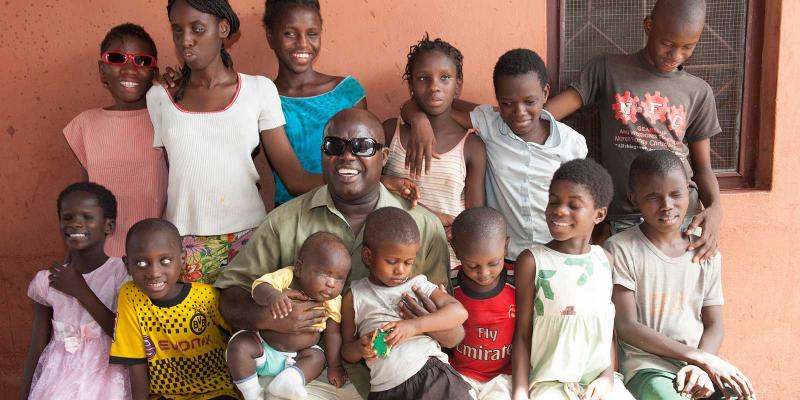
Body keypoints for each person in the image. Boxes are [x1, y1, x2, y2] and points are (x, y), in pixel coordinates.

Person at [214, 108, 454, 399]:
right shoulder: (286, 221)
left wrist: (421, 324)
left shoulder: (422, 227)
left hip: (405, 378)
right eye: (334, 146)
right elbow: (230, 294)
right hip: (306, 376)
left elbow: (453, 333)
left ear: (385, 156)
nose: (347, 156)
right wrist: (267, 316)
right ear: (323, 154)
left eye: (362, 146)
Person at [148, 0, 322, 284]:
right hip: (181, 245)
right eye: (177, 31)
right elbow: (171, 176)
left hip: (248, 241)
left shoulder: (258, 90)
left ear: (223, 28)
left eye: (197, 28)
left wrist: (370, 183)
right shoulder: (160, 97)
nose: (186, 40)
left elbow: (294, 177)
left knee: (244, 326)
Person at [545, 0, 722, 263]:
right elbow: (545, 116)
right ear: (648, 26)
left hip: (680, 217)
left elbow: (703, 167)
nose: (676, 55)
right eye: (668, 44)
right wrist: (501, 116)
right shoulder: (608, 70)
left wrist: (716, 209)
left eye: (688, 47)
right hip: (625, 217)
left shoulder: (698, 92)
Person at [401, 48, 587, 266]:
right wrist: (418, 120)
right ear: (498, 99)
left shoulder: (572, 144)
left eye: (529, 101)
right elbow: (432, 105)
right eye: (507, 103)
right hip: (506, 256)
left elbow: (581, 203)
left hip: (558, 254)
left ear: (545, 93)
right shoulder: (489, 124)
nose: (519, 112)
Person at [605, 150, 755, 399]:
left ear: (689, 191)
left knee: (743, 394)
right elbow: (627, 326)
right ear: (634, 199)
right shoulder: (620, 248)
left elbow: (715, 324)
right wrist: (700, 359)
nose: (667, 206)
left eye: (676, 194)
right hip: (647, 368)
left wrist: (701, 366)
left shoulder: (706, 251)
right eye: (653, 197)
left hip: (698, 367)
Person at [513, 159, 633, 400]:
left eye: (573, 205)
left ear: (599, 215)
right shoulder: (533, 262)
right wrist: (520, 392)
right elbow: (522, 335)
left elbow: (607, 329)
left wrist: (608, 377)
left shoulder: (604, 261)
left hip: (598, 383)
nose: (559, 210)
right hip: (549, 384)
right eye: (554, 201)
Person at [340, 207, 471, 399]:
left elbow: (459, 312)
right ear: (368, 256)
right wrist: (361, 347)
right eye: (392, 261)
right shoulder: (355, 295)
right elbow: (346, 351)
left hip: (431, 374)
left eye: (408, 262)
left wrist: (413, 326)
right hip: (385, 390)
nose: (400, 270)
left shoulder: (418, 285)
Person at [383, 34, 486, 271]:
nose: (434, 87)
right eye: (422, 78)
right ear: (410, 86)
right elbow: (366, 189)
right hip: (391, 264)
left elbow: (475, 219)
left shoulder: (471, 146)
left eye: (445, 78)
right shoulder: (391, 131)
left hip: (448, 264)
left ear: (458, 86)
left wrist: (458, 230)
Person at [63, 23, 167, 257]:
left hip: (154, 259)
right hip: (102, 259)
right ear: (102, 69)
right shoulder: (85, 125)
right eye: (117, 58)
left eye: (142, 61)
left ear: (155, 73)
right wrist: (74, 258)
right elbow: (83, 198)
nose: (129, 69)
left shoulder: (166, 121)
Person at [21, 182, 130, 399]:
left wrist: (81, 290)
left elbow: (124, 335)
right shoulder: (47, 281)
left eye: (87, 217)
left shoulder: (122, 273)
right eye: (68, 217)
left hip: (108, 377)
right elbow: (37, 346)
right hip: (57, 380)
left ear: (108, 226)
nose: (76, 224)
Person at [109, 218, 237, 400]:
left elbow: (239, 334)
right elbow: (135, 361)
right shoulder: (131, 297)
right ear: (127, 264)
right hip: (164, 395)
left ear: (182, 259)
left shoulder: (206, 296)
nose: (154, 272)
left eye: (165, 260)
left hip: (216, 392)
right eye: (141, 263)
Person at [263, 0, 367, 205]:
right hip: (293, 216)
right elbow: (294, 181)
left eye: (312, 34)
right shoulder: (266, 97)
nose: (302, 43)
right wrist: (373, 182)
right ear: (270, 36)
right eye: (290, 33)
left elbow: (364, 160)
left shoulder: (347, 92)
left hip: (348, 212)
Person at [226, 232, 351, 400]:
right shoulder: (287, 277)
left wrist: (335, 366)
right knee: (238, 345)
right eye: (324, 274)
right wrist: (273, 296)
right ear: (299, 268)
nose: (331, 284)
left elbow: (333, 333)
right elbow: (259, 286)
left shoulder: (334, 300)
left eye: (340, 279)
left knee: (317, 357)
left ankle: (289, 381)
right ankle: (252, 394)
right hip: (263, 347)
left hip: (299, 356)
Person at [450, 207, 515, 399]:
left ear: (505, 246)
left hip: (505, 377)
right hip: (460, 374)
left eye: (494, 263)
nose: (484, 273)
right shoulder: (450, 283)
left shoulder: (517, 280)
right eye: (472, 266)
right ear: (456, 250)